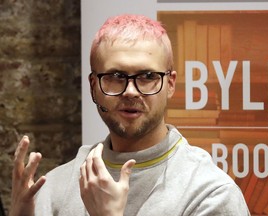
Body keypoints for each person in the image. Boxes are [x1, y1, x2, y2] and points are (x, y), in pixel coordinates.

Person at [10, 14, 250, 216]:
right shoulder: (54, 188)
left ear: (170, 84)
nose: (131, 91)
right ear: (93, 86)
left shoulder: (210, 193)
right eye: (116, 77)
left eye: (147, 77)